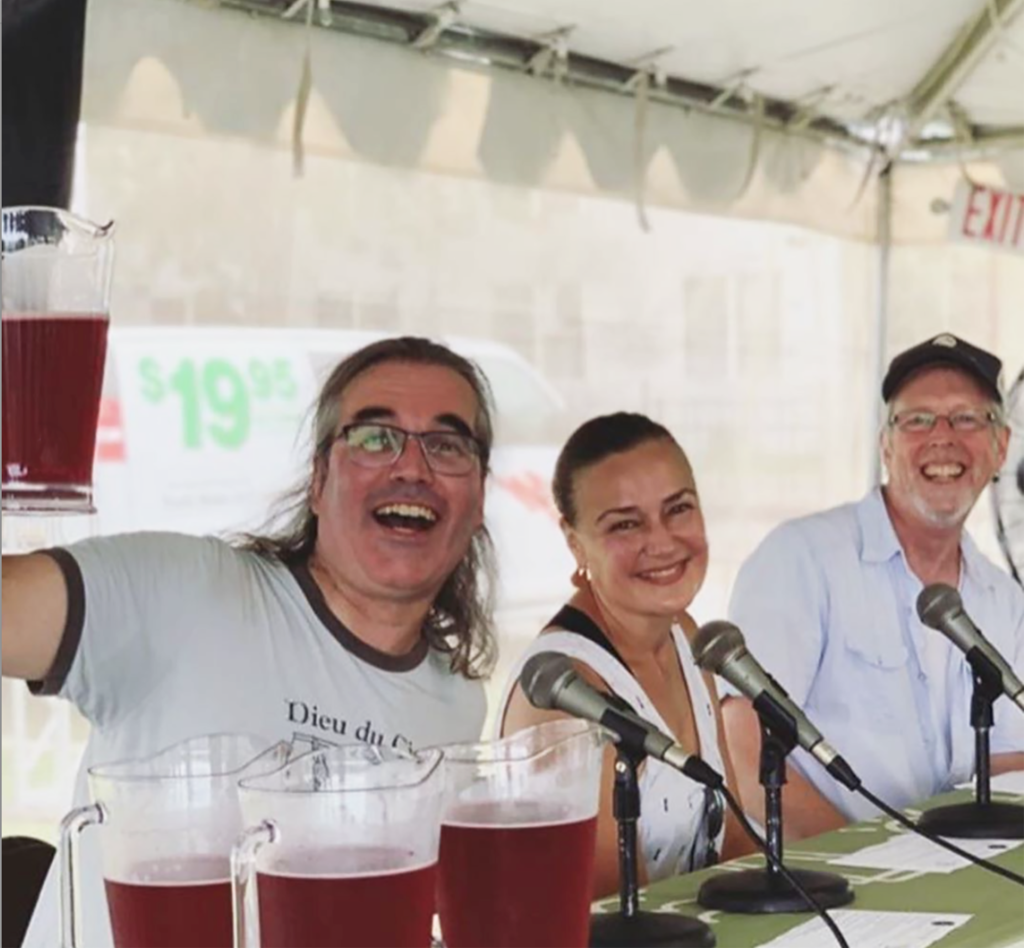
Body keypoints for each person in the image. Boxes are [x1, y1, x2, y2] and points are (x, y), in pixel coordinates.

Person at [2, 335, 498, 948]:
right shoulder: (183, 593)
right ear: (318, 481)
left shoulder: (455, 703)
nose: (412, 467)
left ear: (478, 500)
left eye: (448, 446)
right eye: (374, 437)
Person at [723, 333, 1024, 838]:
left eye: (968, 418)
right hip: (820, 884)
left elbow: (1008, 764)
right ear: (886, 445)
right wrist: (858, 854)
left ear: (1001, 449)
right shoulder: (802, 558)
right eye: (917, 419)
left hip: (954, 877)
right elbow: (742, 742)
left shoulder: (1005, 601)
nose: (942, 437)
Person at [499, 413, 752, 899]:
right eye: (626, 524)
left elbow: (736, 843)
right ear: (575, 543)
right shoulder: (565, 691)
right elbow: (606, 913)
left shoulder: (685, 633)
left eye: (678, 509)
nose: (661, 542)